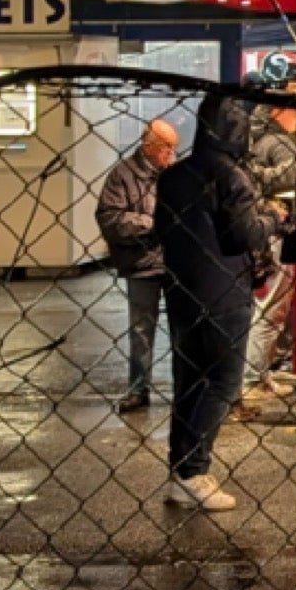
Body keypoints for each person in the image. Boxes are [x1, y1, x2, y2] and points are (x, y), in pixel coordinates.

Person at [156, 94, 273, 511]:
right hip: (226, 291)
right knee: (223, 382)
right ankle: (194, 471)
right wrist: (275, 217)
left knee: (189, 382)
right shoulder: (232, 177)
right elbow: (243, 236)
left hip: (183, 290)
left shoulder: (174, 175)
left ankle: (181, 470)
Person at [95, 118, 180, 412]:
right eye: (167, 147)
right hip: (142, 263)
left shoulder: (175, 174)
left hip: (177, 262)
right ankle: (138, 388)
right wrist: (154, 225)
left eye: (174, 147)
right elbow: (110, 217)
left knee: (183, 328)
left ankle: (184, 388)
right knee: (141, 331)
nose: (172, 153)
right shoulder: (123, 175)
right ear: (150, 146)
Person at [241, 91, 296, 401]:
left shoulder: (257, 139)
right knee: (272, 307)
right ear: (280, 111)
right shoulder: (277, 143)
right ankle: (253, 376)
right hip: (278, 231)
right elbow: (290, 175)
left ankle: (259, 372)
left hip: (269, 229)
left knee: (272, 306)